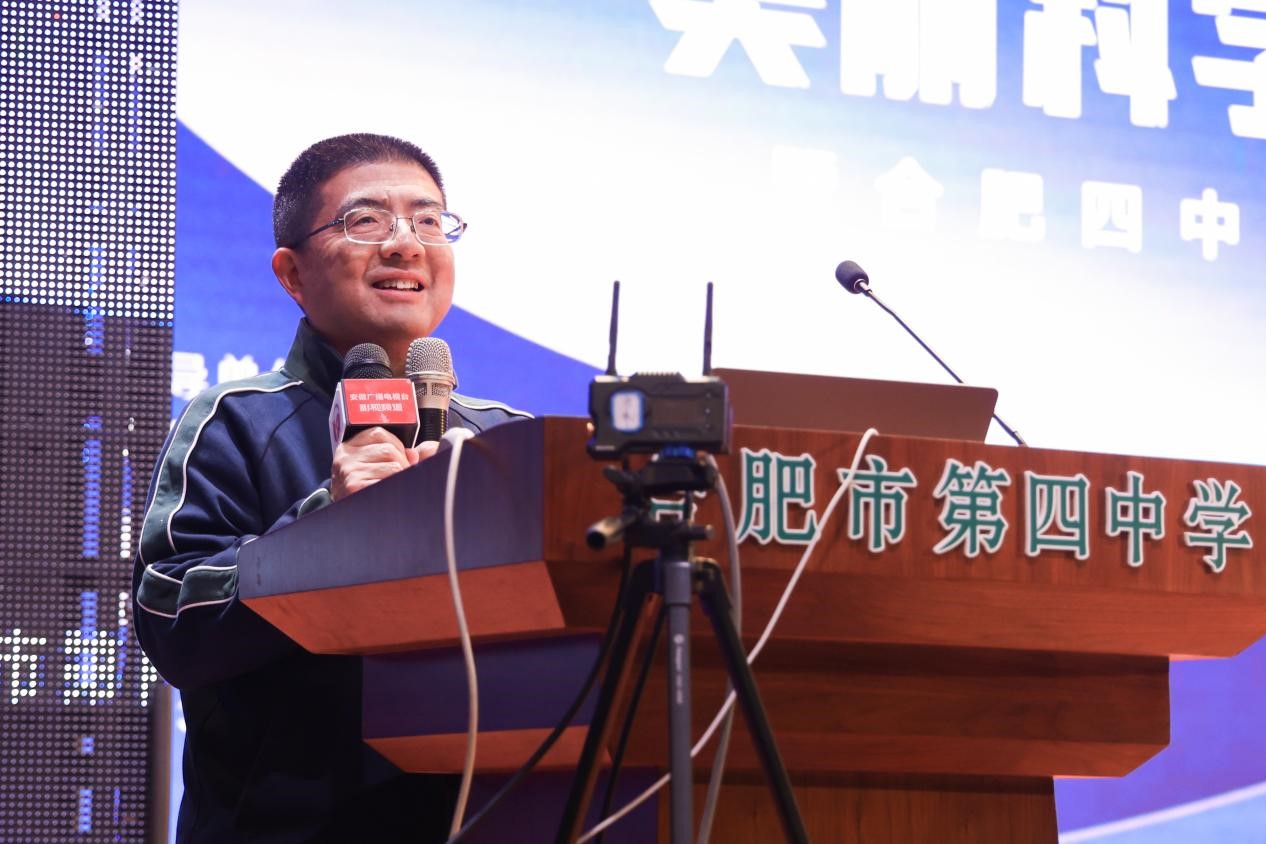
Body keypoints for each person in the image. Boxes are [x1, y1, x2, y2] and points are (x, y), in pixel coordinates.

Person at [132, 134, 529, 843]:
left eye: (429, 220)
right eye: (366, 221)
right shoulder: (236, 420)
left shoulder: (508, 440)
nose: (405, 244)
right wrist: (327, 524)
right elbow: (170, 619)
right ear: (293, 273)